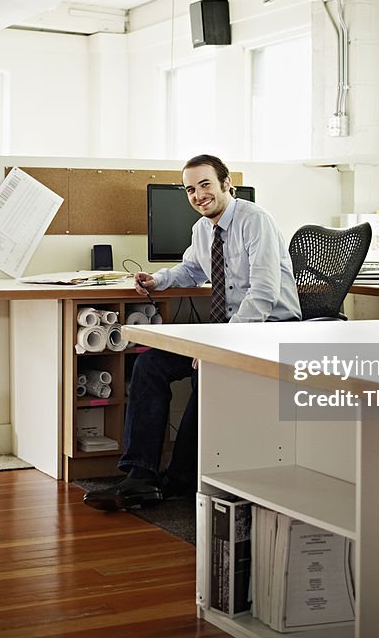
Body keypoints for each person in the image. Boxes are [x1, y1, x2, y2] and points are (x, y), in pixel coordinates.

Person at [83, 154, 301, 512]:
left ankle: (182, 478)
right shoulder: (203, 229)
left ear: (226, 184)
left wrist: (220, 346)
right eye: (190, 189)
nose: (198, 195)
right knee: (149, 366)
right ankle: (141, 476)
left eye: (205, 185)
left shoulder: (255, 221)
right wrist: (158, 279)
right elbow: (192, 270)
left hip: (269, 329)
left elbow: (264, 293)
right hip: (229, 331)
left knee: (209, 373)